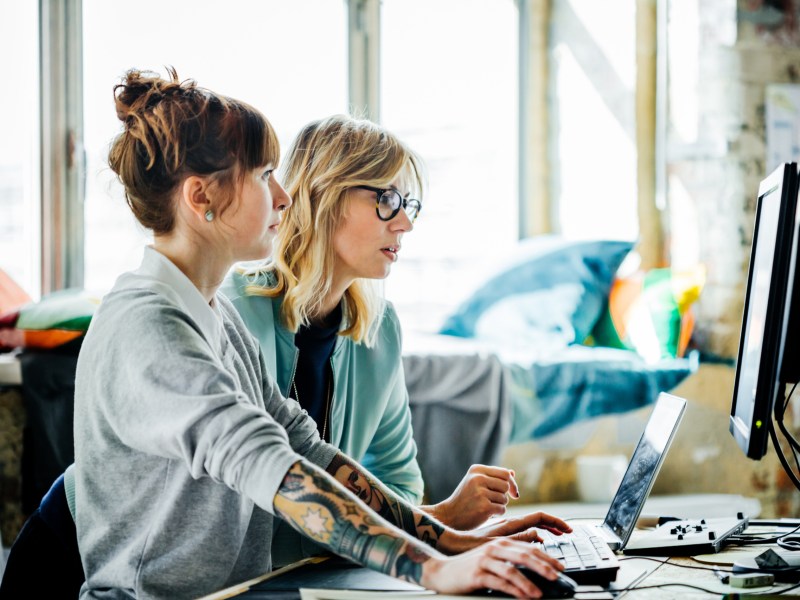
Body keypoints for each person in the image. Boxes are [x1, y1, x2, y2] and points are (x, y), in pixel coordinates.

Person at [58, 68, 570, 599]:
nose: (283, 196)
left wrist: (447, 541)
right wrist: (433, 570)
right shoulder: (149, 323)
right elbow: (265, 462)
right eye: (263, 175)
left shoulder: (214, 315)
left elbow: (306, 449)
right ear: (200, 197)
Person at [221, 116, 519, 566]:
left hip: (322, 576)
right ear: (324, 195)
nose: (405, 224)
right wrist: (439, 523)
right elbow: (236, 508)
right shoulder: (234, 311)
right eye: (387, 200)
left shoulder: (379, 329)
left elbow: (399, 484)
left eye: (408, 204)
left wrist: (432, 526)